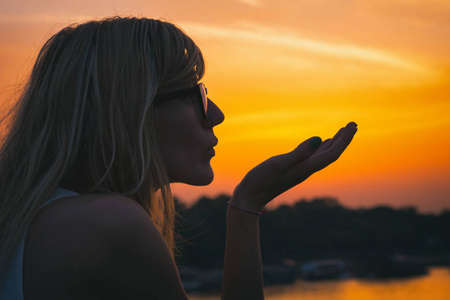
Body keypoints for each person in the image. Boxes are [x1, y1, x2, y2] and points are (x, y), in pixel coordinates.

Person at [0, 16, 357, 299]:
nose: (215, 113)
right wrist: (246, 207)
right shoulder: (107, 223)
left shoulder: (28, 220)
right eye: (196, 93)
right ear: (132, 109)